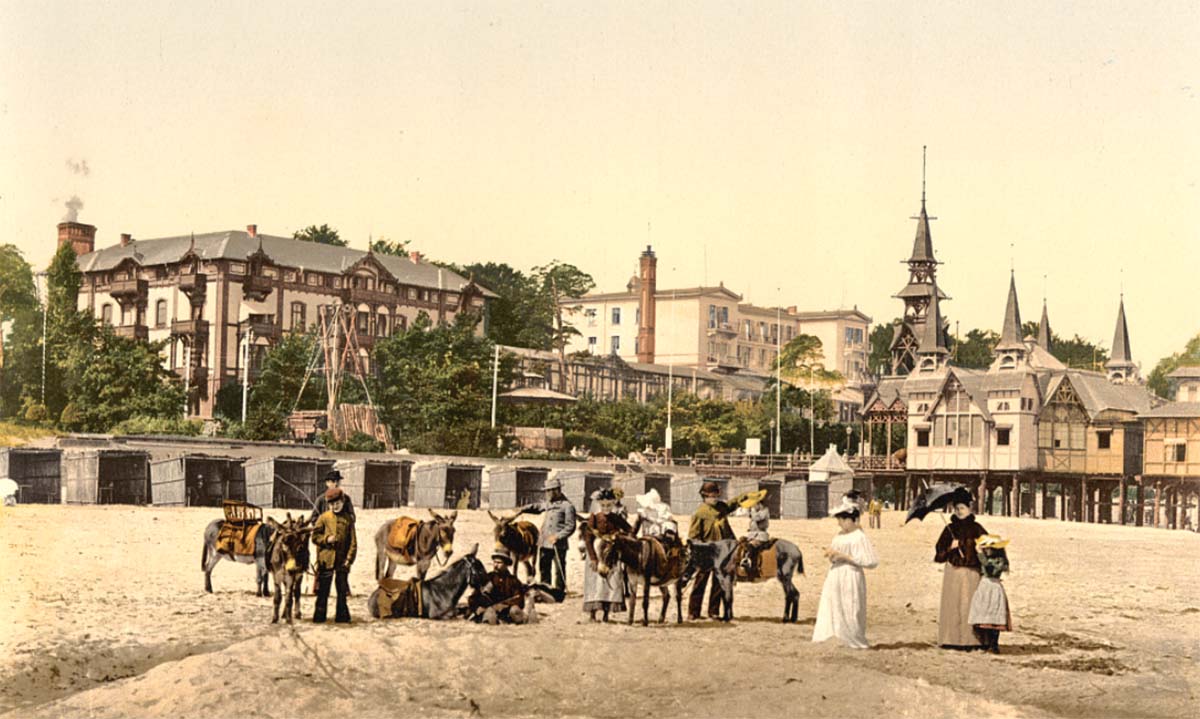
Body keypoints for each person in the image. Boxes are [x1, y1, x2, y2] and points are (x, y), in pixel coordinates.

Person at [812, 496, 879, 649]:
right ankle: (832, 635)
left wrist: (845, 557)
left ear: (852, 519)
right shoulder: (839, 536)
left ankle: (851, 638)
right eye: (839, 520)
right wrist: (832, 555)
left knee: (850, 606)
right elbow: (834, 554)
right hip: (836, 574)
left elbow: (870, 561)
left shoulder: (859, 537)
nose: (840, 523)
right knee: (834, 604)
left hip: (851, 574)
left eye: (842, 520)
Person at [687, 481, 750, 620]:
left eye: (716, 495)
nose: (714, 498)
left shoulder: (721, 507)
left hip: (723, 553)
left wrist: (744, 497)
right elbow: (693, 536)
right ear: (704, 496)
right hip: (706, 552)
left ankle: (713, 611)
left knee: (719, 583)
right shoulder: (699, 513)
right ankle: (693, 612)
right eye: (711, 495)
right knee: (700, 581)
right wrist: (700, 548)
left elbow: (732, 504)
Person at [935, 490, 988, 649]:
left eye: (962, 508)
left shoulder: (977, 528)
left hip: (972, 573)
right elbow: (939, 553)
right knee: (953, 605)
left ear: (970, 509)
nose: (959, 511)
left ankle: (971, 640)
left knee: (969, 605)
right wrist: (950, 547)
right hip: (953, 572)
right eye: (956, 508)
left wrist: (981, 549)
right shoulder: (949, 529)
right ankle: (951, 639)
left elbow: (991, 548)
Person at [581, 488, 632, 622]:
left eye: (609, 505)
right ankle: (592, 614)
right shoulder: (594, 517)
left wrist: (620, 538)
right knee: (595, 582)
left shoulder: (616, 518)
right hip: (596, 553)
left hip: (612, 553)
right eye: (603, 505)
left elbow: (629, 529)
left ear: (613, 504)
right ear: (599, 504)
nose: (606, 508)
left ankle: (606, 614)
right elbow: (588, 538)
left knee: (612, 581)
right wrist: (592, 558)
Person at [519, 477, 576, 591]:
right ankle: (546, 589)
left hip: (558, 544)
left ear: (557, 490)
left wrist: (558, 536)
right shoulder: (548, 504)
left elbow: (571, 526)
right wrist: (522, 509)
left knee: (559, 569)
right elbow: (537, 507)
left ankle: (559, 590)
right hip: (544, 542)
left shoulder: (567, 506)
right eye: (546, 491)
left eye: (549, 490)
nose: (547, 493)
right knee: (544, 567)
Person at [312, 487, 357, 624]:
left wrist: (349, 559)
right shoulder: (323, 518)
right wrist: (326, 539)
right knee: (323, 591)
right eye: (332, 504)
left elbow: (353, 542)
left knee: (342, 591)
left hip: (342, 562)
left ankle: (342, 616)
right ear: (328, 505)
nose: (335, 506)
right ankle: (319, 617)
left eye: (337, 503)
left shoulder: (348, 519)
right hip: (326, 561)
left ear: (343, 502)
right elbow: (315, 537)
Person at [969, 535, 1012, 654]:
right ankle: (986, 644)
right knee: (983, 615)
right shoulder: (989, 558)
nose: (986, 549)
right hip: (984, 585)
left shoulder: (1000, 561)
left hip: (993, 586)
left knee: (994, 617)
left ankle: (994, 645)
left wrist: (980, 554)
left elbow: (989, 568)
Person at [468, 548, 530, 624]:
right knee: (490, 616)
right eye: (494, 562)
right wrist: (477, 607)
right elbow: (474, 597)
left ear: (506, 564)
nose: (495, 565)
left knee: (515, 611)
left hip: (507, 612)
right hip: (489, 610)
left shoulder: (513, 581)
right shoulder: (488, 578)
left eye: (499, 563)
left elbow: (519, 599)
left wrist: (503, 606)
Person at [739, 490, 770, 578]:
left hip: (760, 536)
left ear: (759, 504)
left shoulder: (764, 510)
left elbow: (757, 518)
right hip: (752, 535)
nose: (753, 506)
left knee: (752, 547)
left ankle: (752, 568)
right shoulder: (755, 511)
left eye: (754, 504)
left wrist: (752, 511)